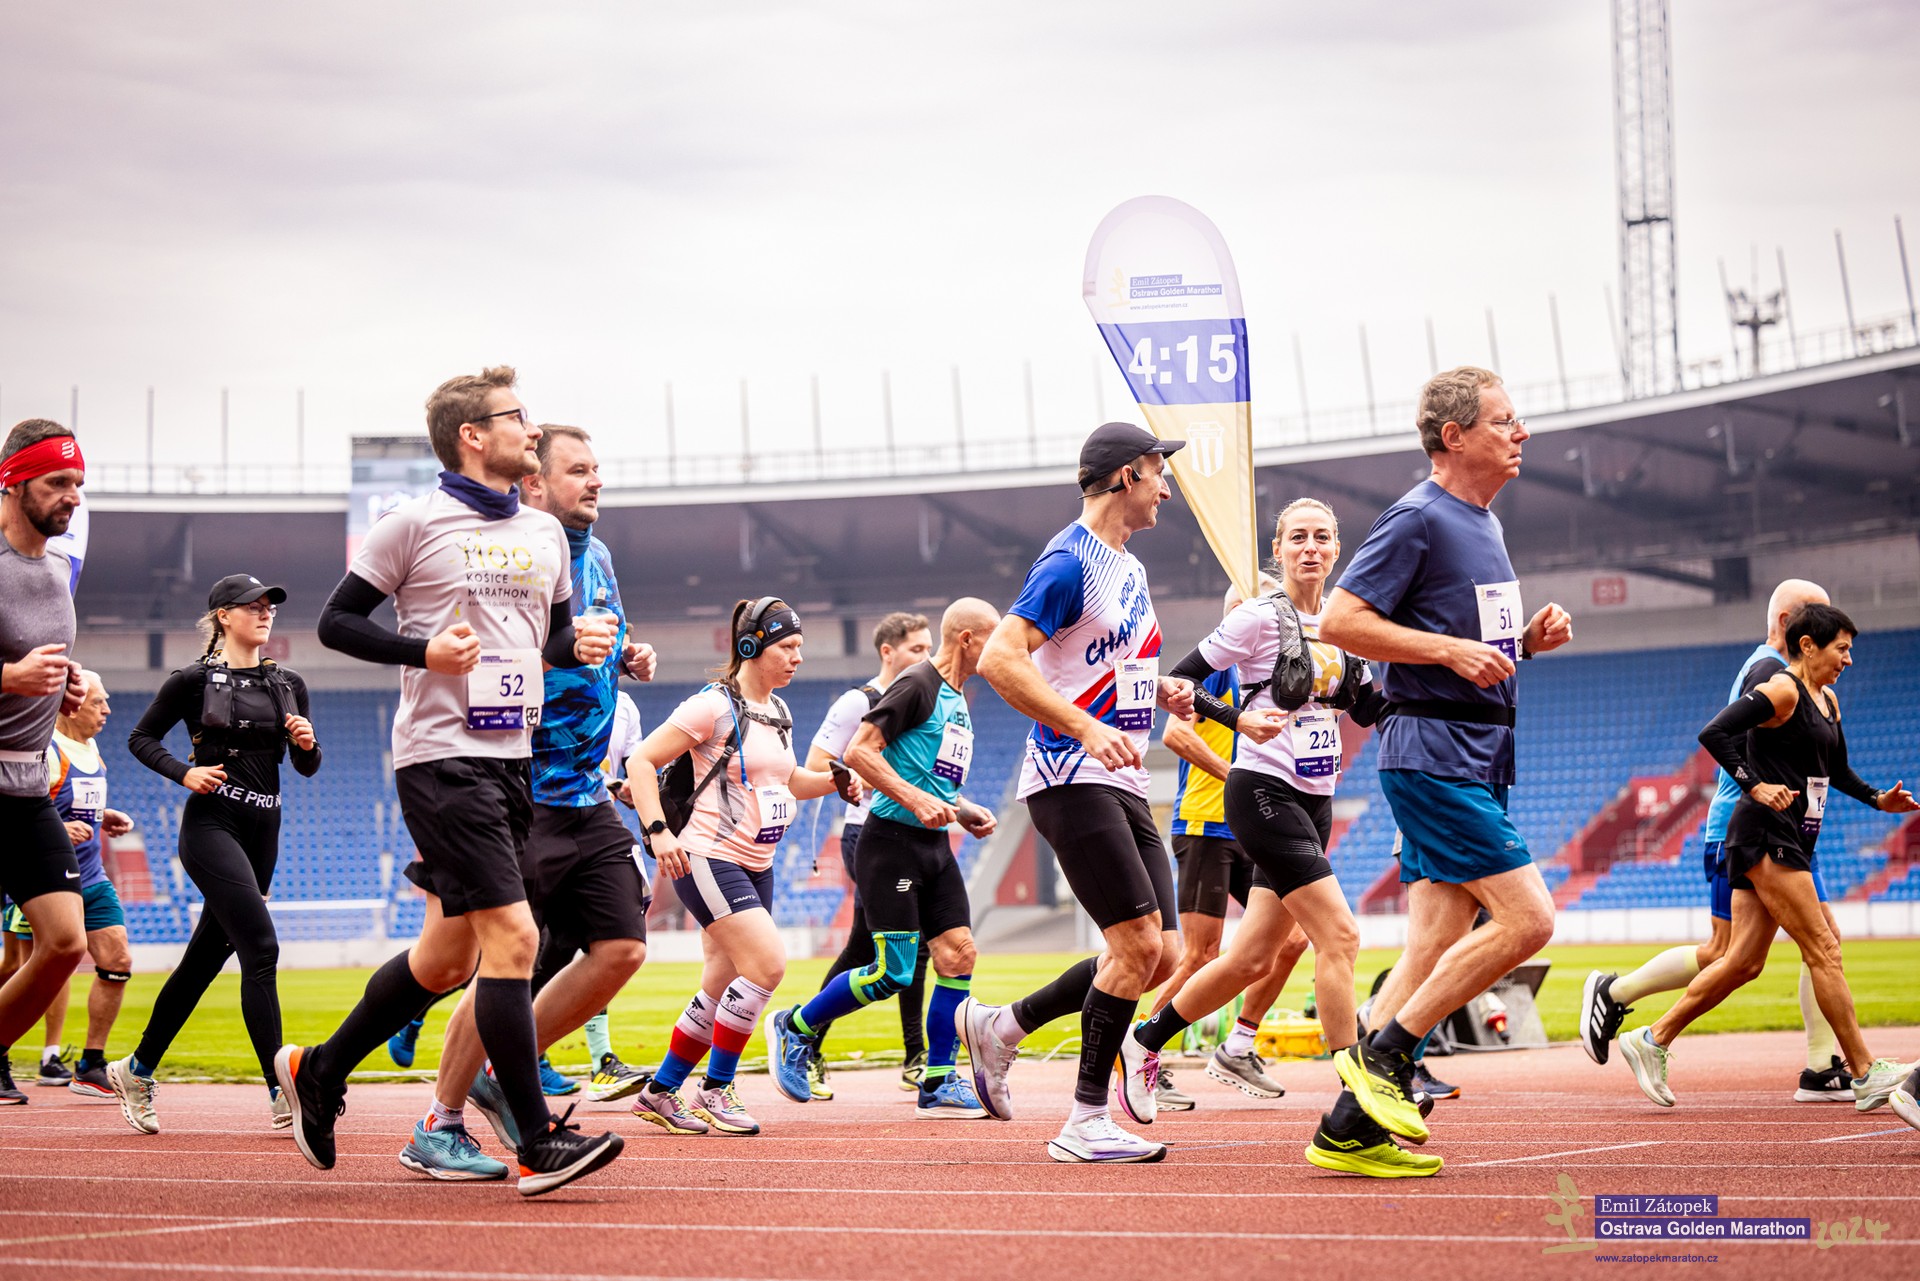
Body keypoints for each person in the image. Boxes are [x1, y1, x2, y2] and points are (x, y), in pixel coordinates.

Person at [276, 365, 623, 1198]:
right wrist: (423, 651)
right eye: (516, 417)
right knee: (515, 940)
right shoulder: (412, 522)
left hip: (515, 761)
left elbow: (549, 638)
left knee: (443, 958)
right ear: (472, 435)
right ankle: (536, 1141)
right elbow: (335, 622)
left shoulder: (543, 535)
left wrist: (581, 644)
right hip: (440, 758)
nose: (531, 430)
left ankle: (318, 1069)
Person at [1131, 498, 1437, 1177]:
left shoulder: (1346, 624)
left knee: (1251, 959)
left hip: (1316, 802)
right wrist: (1236, 719)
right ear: (1278, 548)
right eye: (1298, 537)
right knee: (1341, 938)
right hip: (1262, 793)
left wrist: (1458, 671)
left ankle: (1145, 1040)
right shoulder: (1258, 617)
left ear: (1337, 548)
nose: (1310, 548)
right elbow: (1176, 683)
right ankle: (1358, 1093)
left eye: (1322, 537)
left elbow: (1374, 708)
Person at [1318, 367, 1571, 1149]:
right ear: (1453, 436)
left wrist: (1522, 643)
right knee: (1529, 920)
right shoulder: (1417, 517)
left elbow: (1472, 645)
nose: (1521, 432)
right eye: (1503, 420)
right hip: (1434, 753)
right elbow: (1339, 620)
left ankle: (1348, 1127)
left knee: (1432, 941)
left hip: (1480, 752)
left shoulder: (1484, 523)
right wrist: (1448, 650)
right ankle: (1387, 1056)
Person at [396, 422, 656, 1180]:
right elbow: (491, 647)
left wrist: (627, 655)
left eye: (598, 468)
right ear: (535, 482)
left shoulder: (598, 556)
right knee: (500, 962)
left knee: (623, 946)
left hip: (586, 788)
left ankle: (504, 1068)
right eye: (579, 470)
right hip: (522, 784)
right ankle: (438, 1121)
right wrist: (559, 652)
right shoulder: (511, 552)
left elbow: (595, 636)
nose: (596, 480)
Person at [957, 421, 1195, 1164]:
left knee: (1163, 953)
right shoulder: (1067, 562)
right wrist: (1086, 727)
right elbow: (1001, 658)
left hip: (1122, 776)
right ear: (1126, 475)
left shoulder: (1130, 566)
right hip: (1071, 774)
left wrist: (1159, 689)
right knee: (1136, 945)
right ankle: (1085, 1120)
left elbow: (1103, 661)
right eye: (1159, 471)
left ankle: (1002, 1026)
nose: (1166, 487)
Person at [1618, 602, 1918, 1115]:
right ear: (1808, 645)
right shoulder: (1782, 689)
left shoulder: (1828, 700)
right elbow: (1714, 733)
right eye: (1842, 649)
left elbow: (1836, 770)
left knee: (1743, 962)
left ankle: (1652, 1038)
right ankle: (1865, 1072)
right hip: (1764, 834)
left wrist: (1876, 799)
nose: (1848, 660)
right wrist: (1754, 785)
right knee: (1824, 946)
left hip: (1793, 836)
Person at [1579, 579, 1855, 1103]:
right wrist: (1761, 789)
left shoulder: (1781, 671)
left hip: (1782, 825)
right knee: (1741, 953)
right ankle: (1621, 997)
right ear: (1792, 624)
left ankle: (1823, 1065)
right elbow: (1725, 739)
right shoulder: (1771, 673)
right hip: (1752, 827)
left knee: (1786, 946)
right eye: (1819, 616)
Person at [625, 596, 857, 1137]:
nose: (798, 657)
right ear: (752, 647)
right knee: (767, 965)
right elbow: (641, 761)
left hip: (759, 861)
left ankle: (659, 1092)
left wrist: (835, 780)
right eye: (788, 646)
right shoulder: (710, 706)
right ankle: (715, 1087)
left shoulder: (778, 710)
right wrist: (658, 831)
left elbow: (789, 780)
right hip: (708, 855)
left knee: (720, 981)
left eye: (801, 647)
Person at [767, 599, 1000, 1119]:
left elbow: (927, 772)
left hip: (934, 846)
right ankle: (795, 1026)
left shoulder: (957, 697)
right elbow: (858, 752)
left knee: (959, 954)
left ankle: (937, 1080)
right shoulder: (918, 683)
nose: (1002, 650)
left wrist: (961, 809)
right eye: (994, 638)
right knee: (893, 972)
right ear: (967, 639)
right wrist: (914, 800)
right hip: (891, 844)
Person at [108, 574, 321, 1133]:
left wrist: (306, 744)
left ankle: (136, 1069)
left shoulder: (289, 683)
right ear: (223, 615)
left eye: (270, 606)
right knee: (262, 948)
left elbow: (306, 767)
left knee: (202, 963)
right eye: (252, 606)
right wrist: (184, 773)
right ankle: (283, 1090)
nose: (265, 613)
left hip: (265, 828)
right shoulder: (191, 680)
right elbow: (140, 738)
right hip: (212, 826)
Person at [1154, 572, 1304, 1109]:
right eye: (1250, 606)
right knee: (1200, 954)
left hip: (1254, 824)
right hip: (1205, 825)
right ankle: (1142, 1053)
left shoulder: (1279, 669)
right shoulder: (1220, 668)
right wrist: (1237, 777)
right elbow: (1174, 732)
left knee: (1293, 940)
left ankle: (1239, 1043)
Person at [796, 612, 934, 1100]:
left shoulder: (928, 697)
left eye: (929, 649)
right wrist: (859, 777)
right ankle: (809, 1044)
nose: (926, 657)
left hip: (912, 834)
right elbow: (816, 763)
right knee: (904, 944)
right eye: (916, 649)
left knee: (874, 948)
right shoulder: (860, 701)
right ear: (887, 651)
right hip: (868, 834)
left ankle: (811, 1044)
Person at [0, 419, 93, 1106]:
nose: (73, 497)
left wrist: (66, 685)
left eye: (78, 483)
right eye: (58, 482)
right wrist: (10, 677)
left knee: (64, 943)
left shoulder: (60, 569)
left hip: (28, 785)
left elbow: (44, 661)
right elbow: (16, 668)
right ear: (12, 482)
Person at [0, 672, 133, 1100]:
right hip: (41, 881)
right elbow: (25, 814)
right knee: (24, 969)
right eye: (98, 702)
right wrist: (60, 828)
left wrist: (104, 815)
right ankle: (5, 1059)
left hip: (91, 876)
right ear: (72, 706)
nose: (107, 710)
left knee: (117, 960)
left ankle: (90, 1065)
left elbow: (76, 801)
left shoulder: (91, 749)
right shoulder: (46, 750)